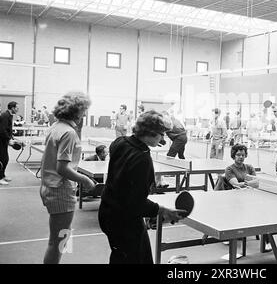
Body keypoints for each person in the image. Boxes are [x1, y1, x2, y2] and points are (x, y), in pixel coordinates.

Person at [98, 110, 185, 264]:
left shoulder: (119, 142)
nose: (163, 138)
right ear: (150, 132)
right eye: (161, 134)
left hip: (107, 212)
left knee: (120, 256)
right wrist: (163, 211)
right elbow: (136, 203)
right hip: (124, 220)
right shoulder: (142, 158)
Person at [39, 92, 96, 263]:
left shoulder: (55, 127)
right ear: (76, 111)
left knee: (61, 237)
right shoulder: (69, 133)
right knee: (59, 240)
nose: (85, 114)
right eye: (84, 110)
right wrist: (85, 180)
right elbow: (62, 168)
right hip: (60, 189)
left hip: (49, 186)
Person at [0, 101, 19, 185]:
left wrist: (12, 138)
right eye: (17, 107)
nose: (18, 109)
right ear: (12, 108)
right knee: (2, 160)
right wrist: (9, 140)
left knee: (5, 159)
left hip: (4, 140)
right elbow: (2, 130)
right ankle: (0, 178)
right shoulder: (5, 115)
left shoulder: (10, 115)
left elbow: (8, 130)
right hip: (1, 140)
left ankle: (3, 175)